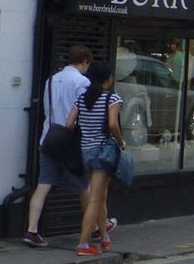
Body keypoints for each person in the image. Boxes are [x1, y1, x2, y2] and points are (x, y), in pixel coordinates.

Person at [25, 45, 103, 248]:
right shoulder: (83, 82)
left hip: (49, 139)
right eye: (88, 65)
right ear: (85, 61)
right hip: (71, 142)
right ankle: (93, 228)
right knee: (84, 187)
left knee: (43, 185)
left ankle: (32, 231)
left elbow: (47, 109)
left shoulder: (51, 80)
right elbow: (84, 112)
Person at [71, 62, 125, 257]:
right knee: (95, 198)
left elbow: (69, 124)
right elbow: (113, 124)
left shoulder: (81, 99)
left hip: (86, 151)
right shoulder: (112, 99)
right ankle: (83, 244)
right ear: (107, 79)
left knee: (100, 195)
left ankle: (105, 237)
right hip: (103, 152)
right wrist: (121, 142)